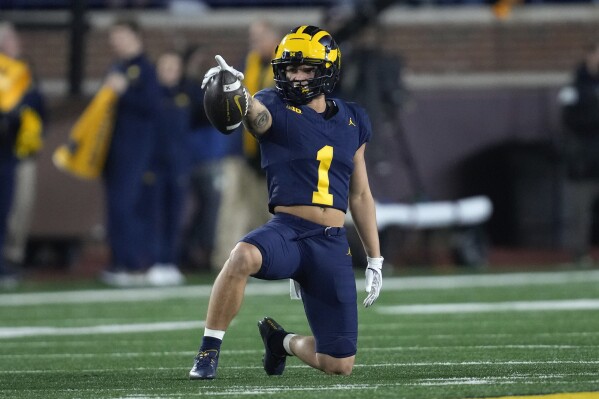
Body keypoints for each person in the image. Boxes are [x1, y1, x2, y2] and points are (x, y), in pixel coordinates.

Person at [189, 25, 383, 380]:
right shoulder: (274, 105)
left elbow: (360, 194)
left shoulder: (353, 119)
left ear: (328, 70)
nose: (296, 77)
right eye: (290, 69)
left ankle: (282, 342)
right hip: (289, 233)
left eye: (306, 69)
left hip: (331, 243)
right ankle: (208, 350)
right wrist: (236, 92)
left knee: (338, 365)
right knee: (242, 255)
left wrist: (375, 257)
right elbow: (254, 115)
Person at [210, 20, 280, 270]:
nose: (254, 42)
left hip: (271, 152)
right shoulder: (242, 65)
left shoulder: (285, 68)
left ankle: (273, 259)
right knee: (232, 210)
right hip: (240, 151)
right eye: (252, 36)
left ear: (274, 37)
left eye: (260, 36)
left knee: (268, 211)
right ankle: (224, 262)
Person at [100, 18, 162, 287]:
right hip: (113, 149)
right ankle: (118, 262)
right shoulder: (117, 67)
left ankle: (133, 263)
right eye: (114, 37)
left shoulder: (146, 69)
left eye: (121, 36)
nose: (117, 42)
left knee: (127, 206)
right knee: (115, 207)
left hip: (136, 150)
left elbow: (152, 106)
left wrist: (124, 91)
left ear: (136, 36)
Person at [0, 21, 44, 287]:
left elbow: (38, 108)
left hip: (15, 153)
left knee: (11, 209)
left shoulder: (23, 73)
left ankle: (7, 261)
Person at [141, 50, 189, 286]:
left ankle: (170, 261)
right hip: (155, 166)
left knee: (174, 216)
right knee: (155, 216)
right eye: (166, 67)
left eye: (175, 68)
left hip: (177, 166)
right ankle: (156, 261)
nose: (171, 72)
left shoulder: (183, 96)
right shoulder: (150, 97)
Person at [559, 42, 599, 266]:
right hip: (583, 161)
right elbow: (570, 120)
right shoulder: (576, 85)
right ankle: (579, 254)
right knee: (580, 212)